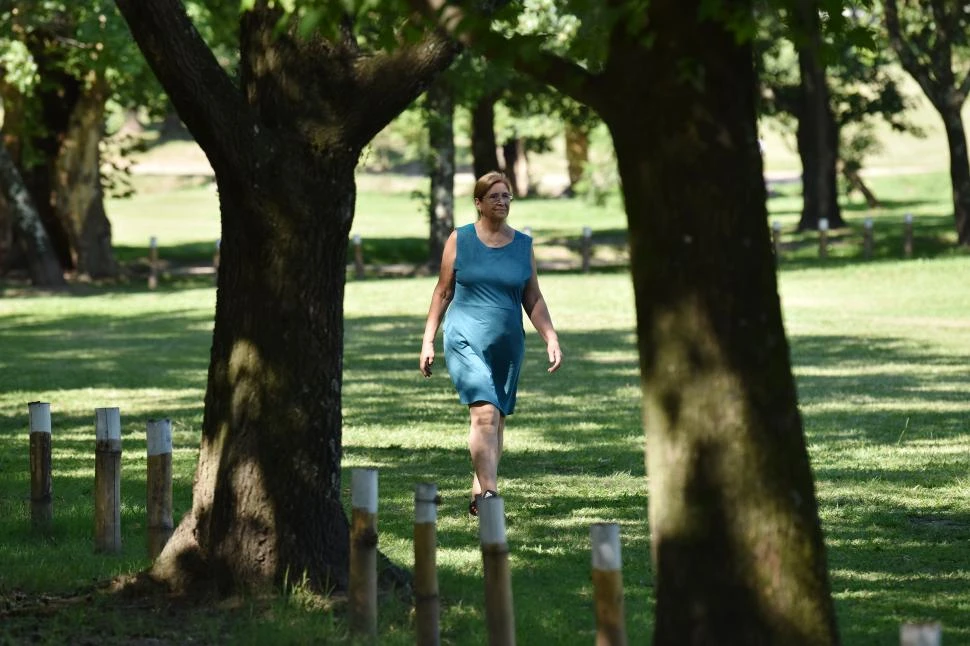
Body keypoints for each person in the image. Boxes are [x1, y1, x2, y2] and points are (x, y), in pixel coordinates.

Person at [419, 171, 563, 517]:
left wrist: (551, 335)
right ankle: (491, 496)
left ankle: (478, 491)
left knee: (495, 421)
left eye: (507, 196)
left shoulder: (522, 245)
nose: (502, 202)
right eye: (495, 196)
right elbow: (443, 291)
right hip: (464, 338)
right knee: (484, 415)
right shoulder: (460, 239)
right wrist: (428, 340)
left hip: (507, 345)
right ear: (479, 203)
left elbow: (533, 297)